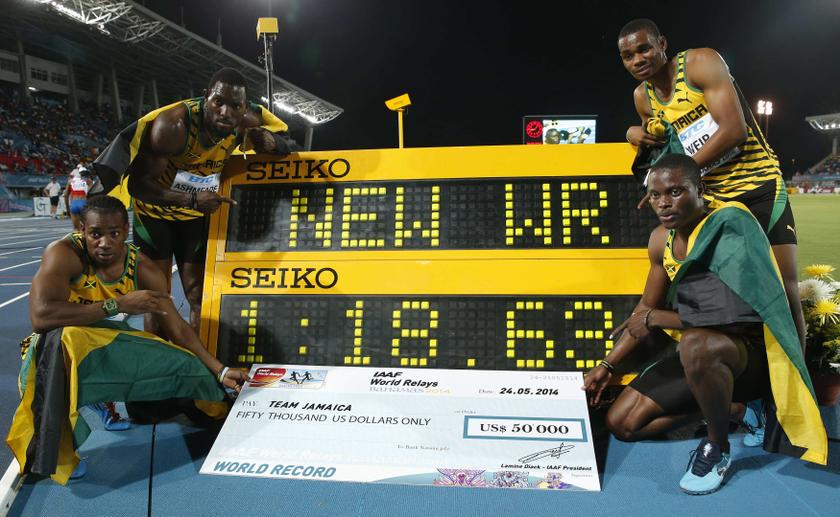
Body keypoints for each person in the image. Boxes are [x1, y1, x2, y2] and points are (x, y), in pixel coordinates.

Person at [582, 154, 826, 495]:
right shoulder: (660, 240)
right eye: (655, 195)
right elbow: (644, 310)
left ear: (701, 189)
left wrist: (656, 319)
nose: (664, 203)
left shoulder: (729, 225)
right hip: (704, 356)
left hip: (750, 357)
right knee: (622, 423)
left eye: (676, 191)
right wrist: (608, 364)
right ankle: (737, 411)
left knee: (698, 342)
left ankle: (717, 447)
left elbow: (735, 318)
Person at [6, 195, 249, 485]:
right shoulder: (63, 254)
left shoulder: (142, 267)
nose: (104, 243)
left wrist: (219, 369)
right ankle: (54, 451)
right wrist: (118, 305)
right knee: (65, 339)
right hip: (53, 349)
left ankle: (204, 405)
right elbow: (42, 317)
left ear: (126, 231)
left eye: (114, 234)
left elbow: (178, 328)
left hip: (107, 338)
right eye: (95, 234)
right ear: (83, 230)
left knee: (186, 363)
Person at [617, 19, 805, 359]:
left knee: (784, 289)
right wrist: (634, 132)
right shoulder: (642, 98)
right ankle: (749, 387)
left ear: (662, 43)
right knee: (726, 297)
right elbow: (657, 135)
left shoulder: (700, 63)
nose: (637, 59)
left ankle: (798, 391)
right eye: (628, 55)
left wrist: (683, 174)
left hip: (757, 186)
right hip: (713, 201)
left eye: (644, 48)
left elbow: (734, 130)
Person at [93, 67, 297, 334]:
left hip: (196, 218)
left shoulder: (247, 123)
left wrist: (273, 144)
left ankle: (198, 357)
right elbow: (138, 185)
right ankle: (158, 354)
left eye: (235, 106)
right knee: (157, 295)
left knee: (199, 293)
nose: (225, 112)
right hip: (156, 216)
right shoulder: (173, 126)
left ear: (245, 107)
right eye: (218, 102)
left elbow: (287, 147)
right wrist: (190, 199)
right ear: (206, 98)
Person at [64, 166, 94, 231]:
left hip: (74, 204)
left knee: (76, 230)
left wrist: (67, 208)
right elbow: (92, 195)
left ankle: (77, 240)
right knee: (87, 229)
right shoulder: (89, 181)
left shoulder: (70, 181)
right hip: (84, 203)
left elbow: (66, 195)